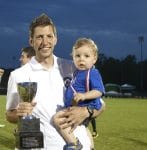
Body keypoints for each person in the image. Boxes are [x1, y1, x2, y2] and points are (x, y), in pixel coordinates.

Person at [6, 14, 105, 150]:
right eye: (39, 37)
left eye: (49, 36)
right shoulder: (18, 75)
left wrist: (86, 112)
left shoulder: (73, 68)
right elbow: (9, 115)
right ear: (31, 41)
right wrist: (18, 113)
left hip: (79, 145)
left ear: (56, 39)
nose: (45, 42)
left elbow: (101, 105)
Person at [53, 37, 105, 149]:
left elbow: (99, 91)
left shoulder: (92, 73)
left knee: (58, 119)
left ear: (94, 59)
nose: (81, 59)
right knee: (79, 127)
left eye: (86, 56)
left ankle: (74, 144)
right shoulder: (77, 72)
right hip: (77, 106)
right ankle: (85, 145)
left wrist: (84, 95)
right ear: (73, 57)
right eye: (77, 56)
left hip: (85, 107)